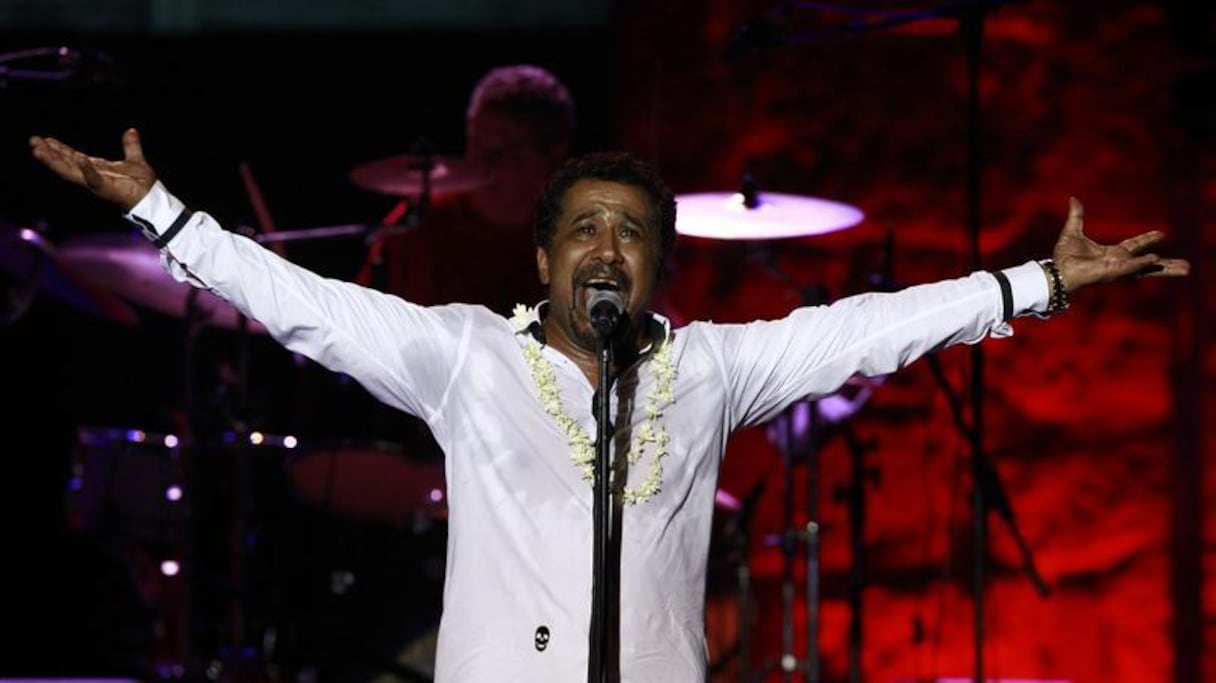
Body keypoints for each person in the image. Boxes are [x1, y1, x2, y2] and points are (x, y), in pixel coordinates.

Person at [29, 128, 1189, 682]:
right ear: (543, 258)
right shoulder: (463, 354)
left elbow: (866, 327)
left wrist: (1035, 284)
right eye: (583, 226)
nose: (606, 245)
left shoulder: (714, 368)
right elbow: (304, 306)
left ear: (655, 267)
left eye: (630, 232)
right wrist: (162, 210)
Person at [358, 63, 577, 316]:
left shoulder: (577, 237)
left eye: (507, 149)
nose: (484, 164)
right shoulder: (418, 225)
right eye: (477, 143)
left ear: (554, 155)